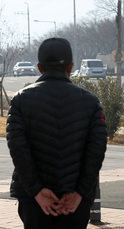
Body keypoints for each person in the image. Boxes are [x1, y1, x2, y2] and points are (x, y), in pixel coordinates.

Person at [6, 37, 107, 229]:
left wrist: (36, 190)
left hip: (33, 200)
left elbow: (18, 149)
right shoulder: (90, 102)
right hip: (75, 200)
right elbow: (96, 150)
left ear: (39, 67)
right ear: (71, 66)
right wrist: (79, 192)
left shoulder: (21, 100)